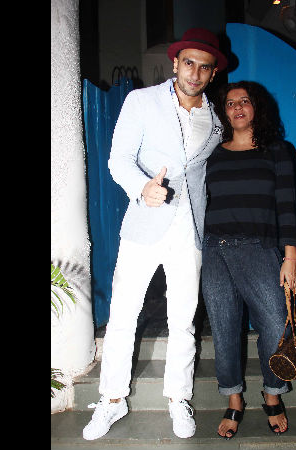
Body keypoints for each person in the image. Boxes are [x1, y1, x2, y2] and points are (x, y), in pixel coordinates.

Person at [82, 27, 228, 441]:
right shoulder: (142, 101)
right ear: (175, 63)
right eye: (189, 63)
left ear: (213, 73)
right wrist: (141, 187)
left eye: (204, 67)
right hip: (145, 222)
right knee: (123, 315)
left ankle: (178, 398)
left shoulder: (216, 121)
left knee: (183, 320)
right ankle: (112, 399)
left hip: (190, 228)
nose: (195, 73)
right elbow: (119, 159)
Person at [201, 81, 296, 439]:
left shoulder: (277, 151)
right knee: (224, 327)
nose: (237, 107)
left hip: (258, 247)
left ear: (257, 107)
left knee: (275, 324)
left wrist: (290, 258)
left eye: (244, 101)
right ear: (223, 112)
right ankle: (234, 397)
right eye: (230, 103)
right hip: (215, 249)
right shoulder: (213, 154)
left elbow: (287, 206)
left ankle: (272, 393)